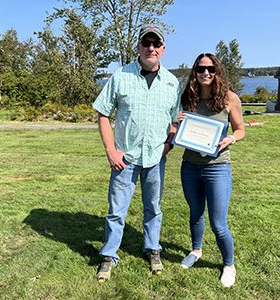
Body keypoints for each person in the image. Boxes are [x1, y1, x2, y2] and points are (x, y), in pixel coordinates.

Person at [92, 24, 181, 283]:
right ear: (139, 46)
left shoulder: (172, 83)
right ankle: (109, 256)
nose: (151, 48)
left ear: (163, 49)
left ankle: (153, 249)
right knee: (116, 211)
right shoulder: (120, 76)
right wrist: (111, 151)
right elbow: (102, 114)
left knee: (153, 208)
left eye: (156, 44)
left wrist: (168, 145)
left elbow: (175, 120)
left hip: (155, 158)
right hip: (125, 159)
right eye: (146, 43)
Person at [177, 53, 245, 287]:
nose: (206, 73)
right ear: (194, 72)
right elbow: (176, 130)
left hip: (217, 168)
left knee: (219, 223)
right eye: (201, 68)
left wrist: (230, 140)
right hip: (189, 166)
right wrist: (176, 122)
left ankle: (229, 265)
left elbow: (240, 130)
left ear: (218, 72)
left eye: (211, 69)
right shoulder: (187, 97)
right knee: (195, 213)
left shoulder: (229, 98)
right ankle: (196, 251)